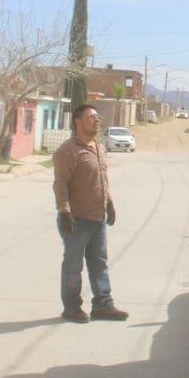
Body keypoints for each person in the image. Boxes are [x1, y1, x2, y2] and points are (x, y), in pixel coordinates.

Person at [52, 103, 129, 323]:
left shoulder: (98, 147)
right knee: (73, 266)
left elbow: (102, 179)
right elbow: (60, 184)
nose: (97, 120)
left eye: (98, 117)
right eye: (91, 117)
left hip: (98, 218)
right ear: (78, 122)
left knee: (99, 263)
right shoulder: (68, 151)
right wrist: (64, 211)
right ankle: (71, 308)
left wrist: (110, 203)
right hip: (76, 219)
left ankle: (103, 306)